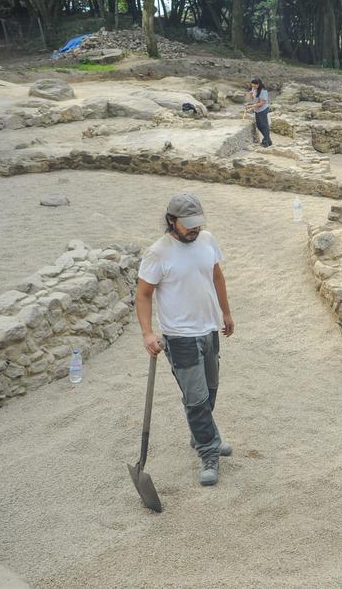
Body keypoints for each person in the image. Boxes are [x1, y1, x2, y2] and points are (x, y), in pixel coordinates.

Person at [135, 193, 236, 487]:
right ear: (171, 221)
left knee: (211, 389)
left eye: (197, 224)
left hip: (209, 330)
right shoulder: (158, 253)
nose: (195, 230)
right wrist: (147, 333)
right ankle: (208, 451)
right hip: (180, 337)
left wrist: (226, 313)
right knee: (196, 399)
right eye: (188, 225)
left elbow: (217, 276)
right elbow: (143, 295)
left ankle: (201, 435)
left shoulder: (207, 241)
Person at [246, 77, 272, 147]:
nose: (253, 87)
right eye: (252, 86)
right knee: (259, 125)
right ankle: (268, 140)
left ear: (259, 84)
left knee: (264, 126)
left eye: (255, 86)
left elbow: (261, 104)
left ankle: (266, 141)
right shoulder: (254, 89)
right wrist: (251, 94)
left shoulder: (263, 91)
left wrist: (251, 107)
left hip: (263, 110)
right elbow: (253, 99)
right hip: (257, 110)